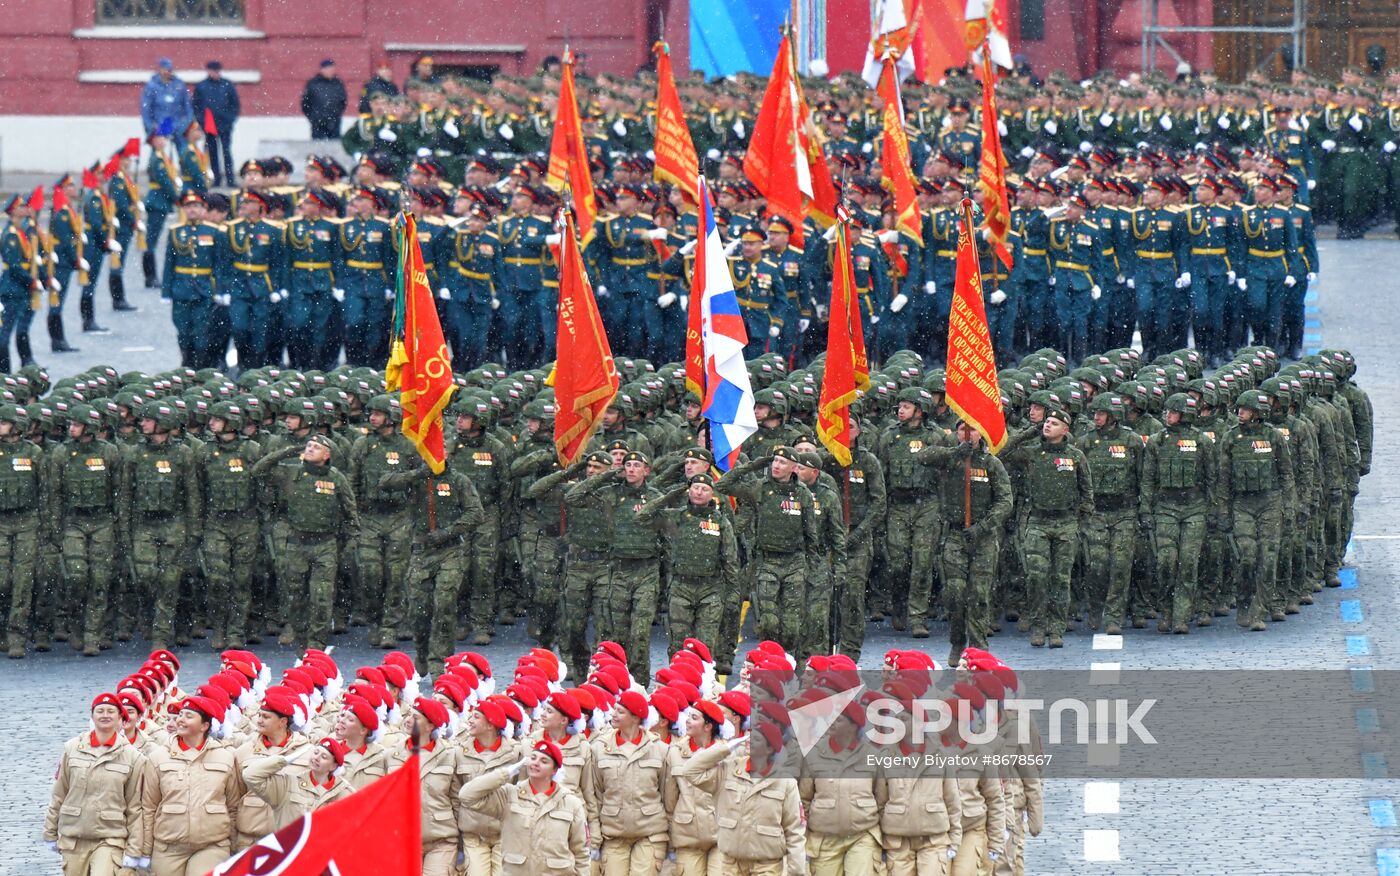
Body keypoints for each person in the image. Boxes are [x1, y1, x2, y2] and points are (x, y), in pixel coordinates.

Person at [44, 692, 149, 875]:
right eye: (100, 711)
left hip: (111, 838)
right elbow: (60, 793)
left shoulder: (133, 757)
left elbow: (135, 806)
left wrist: (134, 849)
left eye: (111, 711)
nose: (105, 715)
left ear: (120, 718)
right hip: (74, 836)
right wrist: (50, 832)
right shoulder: (72, 748)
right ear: (92, 716)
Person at [142, 695, 245, 876]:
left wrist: (234, 848)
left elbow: (234, 806)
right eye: (180, 714)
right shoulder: (158, 757)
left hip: (212, 845)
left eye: (189, 716)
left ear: (204, 726)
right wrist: (144, 851)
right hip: (168, 847)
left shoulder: (225, 757)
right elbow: (148, 808)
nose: (180, 720)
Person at [458, 738, 591, 876]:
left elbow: (581, 852)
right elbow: (467, 795)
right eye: (533, 758)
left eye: (544, 761)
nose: (536, 763)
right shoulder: (509, 795)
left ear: (554, 770)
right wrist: (504, 773)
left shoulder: (570, 802)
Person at [241, 736, 354, 831]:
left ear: (333, 766)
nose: (316, 758)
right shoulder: (289, 784)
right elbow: (250, 775)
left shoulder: (343, 793)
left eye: (324, 757)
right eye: (315, 752)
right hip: (290, 851)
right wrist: (284, 760)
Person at [192, 61, 239, 187]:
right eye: (214, 71)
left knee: (226, 152)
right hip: (209, 126)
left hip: (225, 125)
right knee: (212, 153)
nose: (216, 74)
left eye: (218, 71)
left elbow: (235, 104)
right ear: (208, 71)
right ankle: (216, 179)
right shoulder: (202, 86)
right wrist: (203, 122)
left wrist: (230, 119)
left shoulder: (227, 84)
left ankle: (230, 179)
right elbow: (196, 106)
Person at [140, 59, 192, 145]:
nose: (167, 72)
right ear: (160, 69)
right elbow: (146, 108)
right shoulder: (152, 86)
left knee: (185, 153)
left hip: (178, 126)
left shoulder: (179, 84)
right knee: (160, 156)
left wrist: (185, 124)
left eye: (169, 70)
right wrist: (151, 126)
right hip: (159, 126)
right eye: (165, 69)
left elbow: (187, 105)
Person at [301, 59, 348, 141]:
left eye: (332, 69)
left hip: (334, 122)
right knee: (318, 146)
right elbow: (305, 103)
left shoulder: (338, 83)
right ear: (322, 69)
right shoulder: (313, 83)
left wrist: (336, 114)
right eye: (328, 69)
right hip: (318, 122)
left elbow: (343, 101)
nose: (330, 71)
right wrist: (313, 117)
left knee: (334, 145)